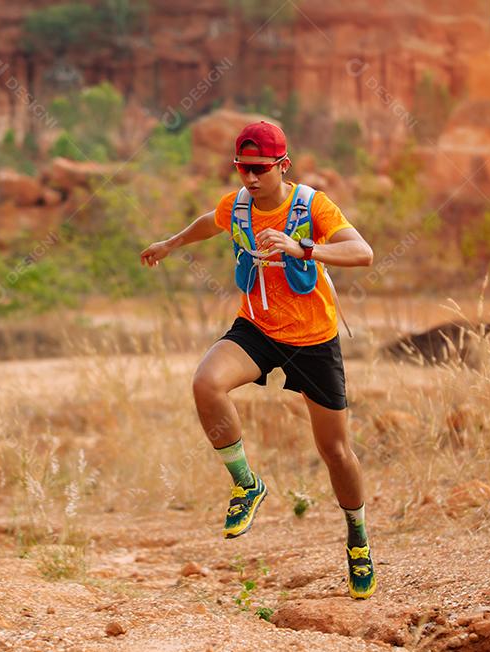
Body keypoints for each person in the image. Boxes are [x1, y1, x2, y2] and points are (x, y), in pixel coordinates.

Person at [139, 121, 377, 599]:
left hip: (312, 339)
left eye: (260, 169)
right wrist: (171, 244)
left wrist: (303, 246)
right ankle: (247, 484)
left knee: (335, 452)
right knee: (206, 383)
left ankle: (358, 539)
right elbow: (210, 220)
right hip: (259, 328)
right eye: (243, 169)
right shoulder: (239, 205)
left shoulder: (311, 205)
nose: (250, 178)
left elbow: (363, 252)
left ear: (282, 166)